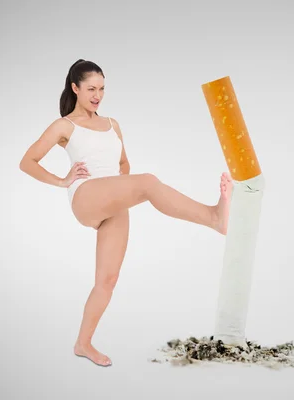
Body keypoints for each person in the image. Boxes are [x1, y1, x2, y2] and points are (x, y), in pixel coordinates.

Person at [19, 59, 233, 367]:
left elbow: (123, 166)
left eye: (102, 88)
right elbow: (28, 161)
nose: (97, 95)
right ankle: (214, 217)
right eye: (91, 89)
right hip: (86, 195)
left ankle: (83, 343)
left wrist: (123, 187)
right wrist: (63, 180)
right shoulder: (64, 125)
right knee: (147, 183)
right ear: (75, 88)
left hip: (112, 198)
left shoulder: (112, 124)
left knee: (107, 279)